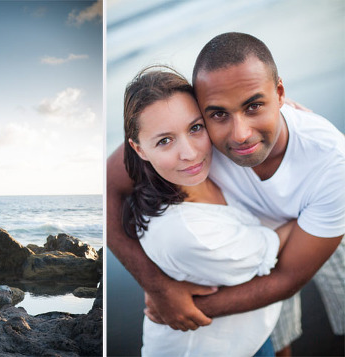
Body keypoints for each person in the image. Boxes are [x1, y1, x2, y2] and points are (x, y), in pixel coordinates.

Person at [107, 32, 345, 355]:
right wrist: (158, 285)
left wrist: (182, 305)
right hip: (248, 240)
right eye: (218, 114)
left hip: (318, 226)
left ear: (280, 95)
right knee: (279, 337)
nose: (241, 134)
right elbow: (107, 183)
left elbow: (289, 278)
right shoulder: (189, 127)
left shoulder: (331, 166)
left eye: (254, 106)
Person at [121, 66, 297, 356]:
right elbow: (275, 250)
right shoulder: (188, 233)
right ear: (139, 149)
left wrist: (285, 108)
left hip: (249, 333)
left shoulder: (216, 162)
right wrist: (312, 210)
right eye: (164, 141)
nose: (189, 152)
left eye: (195, 128)